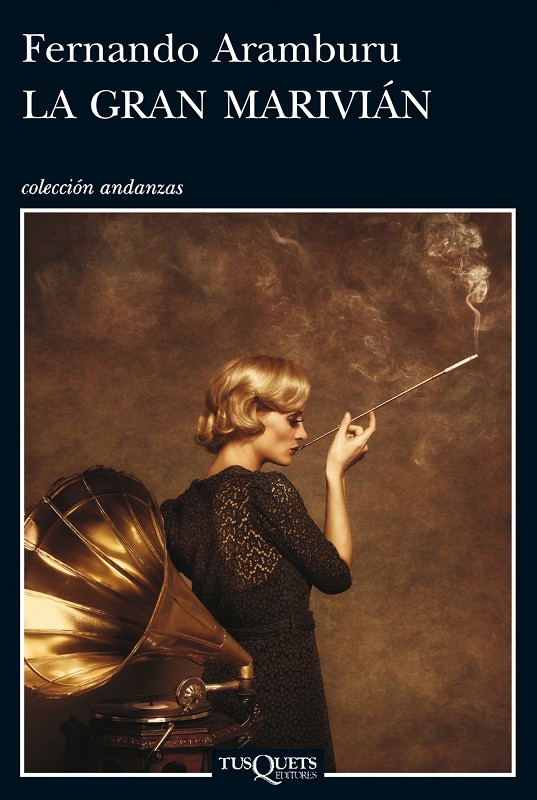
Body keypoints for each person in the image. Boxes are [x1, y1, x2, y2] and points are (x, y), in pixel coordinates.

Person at [160, 355, 375, 771]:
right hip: (283, 686)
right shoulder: (267, 492)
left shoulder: (177, 512)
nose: (304, 433)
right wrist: (336, 474)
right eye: (294, 419)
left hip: (219, 689)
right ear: (251, 411)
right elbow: (335, 576)